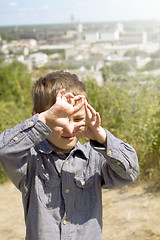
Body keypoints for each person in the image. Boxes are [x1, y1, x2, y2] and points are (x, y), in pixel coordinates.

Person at [0, 71, 139, 240]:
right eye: (59, 119)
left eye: (78, 118)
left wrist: (102, 137)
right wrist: (43, 120)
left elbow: (130, 172)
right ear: (38, 117)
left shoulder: (94, 157)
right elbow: (4, 150)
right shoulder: (30, 159)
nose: (69, 128)